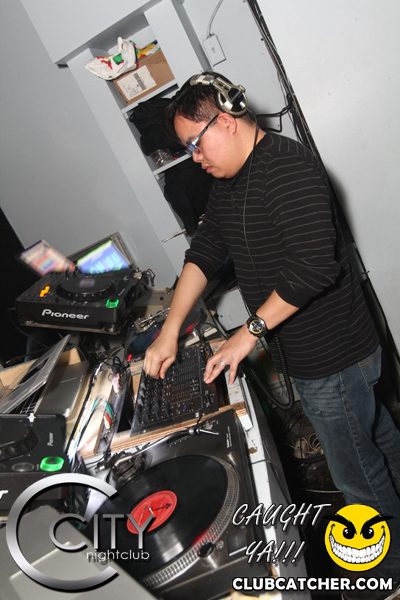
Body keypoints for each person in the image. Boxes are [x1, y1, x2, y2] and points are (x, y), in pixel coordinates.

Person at [143, 72, 400, 597]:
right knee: (377, 437)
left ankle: (389, 575)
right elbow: (205, 252)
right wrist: (170, 330)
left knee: (356, 476)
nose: (195, 157)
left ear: (227, 118)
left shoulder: (287, 167)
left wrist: (249, 333)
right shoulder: (231, 182)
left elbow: (314, 266)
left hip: (333, 357)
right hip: (322, 356)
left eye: (196, 143)